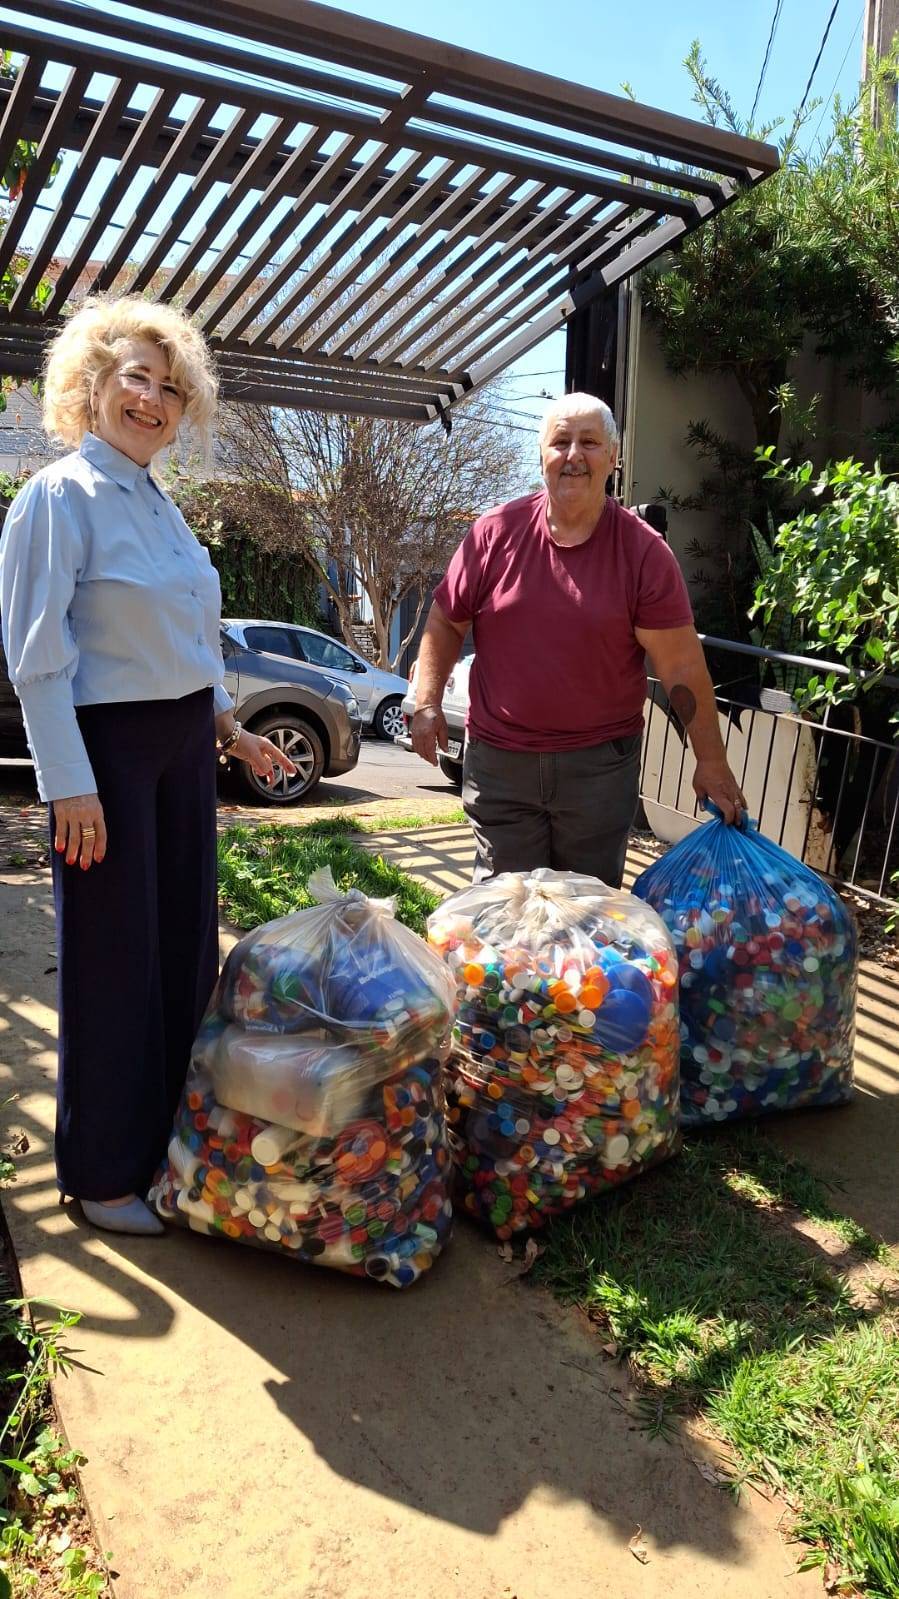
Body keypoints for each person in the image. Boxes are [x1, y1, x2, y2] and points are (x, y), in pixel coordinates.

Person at [0, 297, 296, 1236]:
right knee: (113, 963)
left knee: (179, 954)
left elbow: (180, 646)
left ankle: (165, 1144)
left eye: (171, 387)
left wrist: (230, 731)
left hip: (178, 753)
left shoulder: (162, 503)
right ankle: (100, 1172)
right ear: (89, 385)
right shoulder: (59, 496)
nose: (153, 399)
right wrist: (70, 783)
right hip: (108, 760)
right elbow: (38, 655)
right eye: (136, 376)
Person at [411, 391, 745, 885]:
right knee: (506, 911)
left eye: (589, 442)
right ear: (541, 455)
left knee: (587, 916)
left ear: (613, 457)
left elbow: (679, 667)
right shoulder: (493, 534)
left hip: (598, 771)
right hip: (502, 764)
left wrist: (712, 760)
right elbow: (446, 621)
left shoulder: (643, 554)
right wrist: (426, 702)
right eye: (560, 442)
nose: (573, 456)